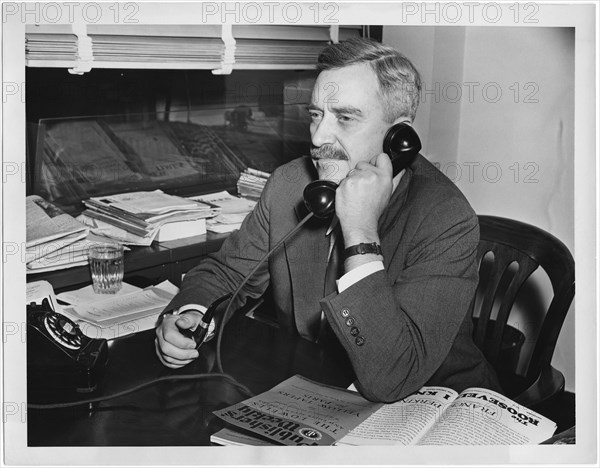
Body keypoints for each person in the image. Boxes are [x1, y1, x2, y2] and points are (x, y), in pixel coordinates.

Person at [155, 37, 502, 403]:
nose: (319, 136)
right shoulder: (290, 185)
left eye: (346, 117)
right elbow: (225, 274)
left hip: (431, 405)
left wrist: (359, 232)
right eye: (316, 114)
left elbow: (392, 378)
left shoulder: (446, 217)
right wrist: (191, 316)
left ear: (398, 136)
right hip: (319, 385)